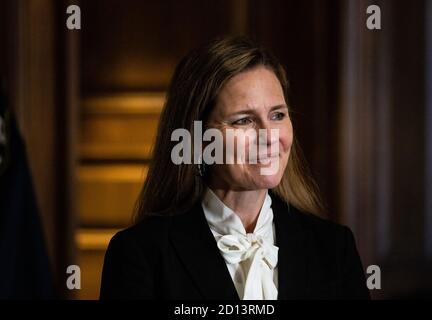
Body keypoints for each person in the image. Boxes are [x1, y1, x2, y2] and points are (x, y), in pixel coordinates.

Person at [100, 36, 370, 300]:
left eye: (277, 115)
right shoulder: (140, 253)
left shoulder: (334, 248)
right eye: (243, 121)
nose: (269, 136)